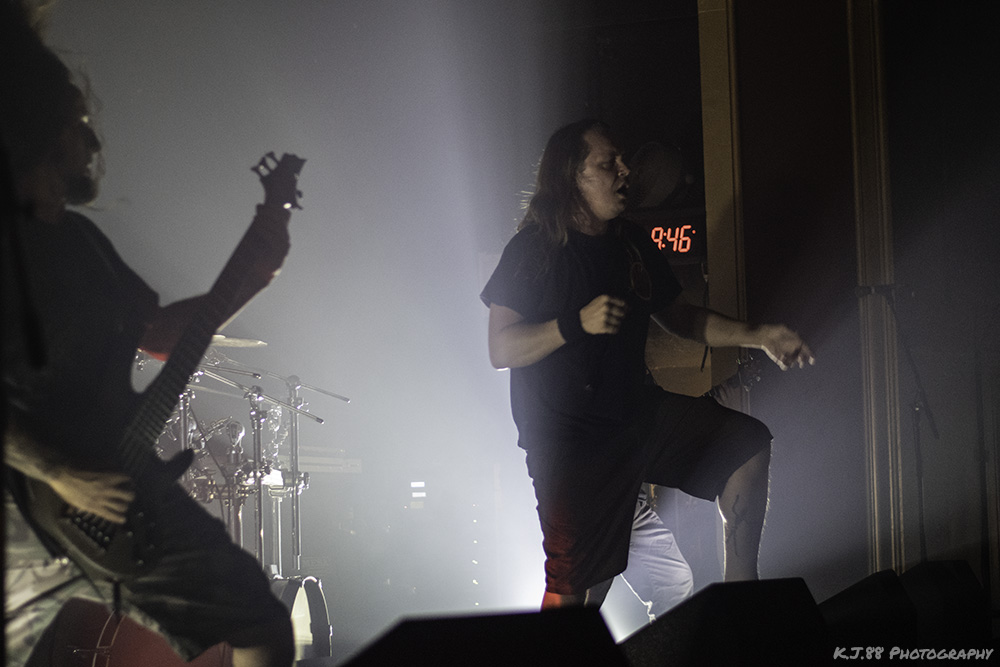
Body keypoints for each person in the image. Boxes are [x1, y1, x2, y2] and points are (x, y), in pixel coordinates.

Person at [2, 4, 294, 665]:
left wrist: (249, 278)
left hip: (111, 484)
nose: (92, 143)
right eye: (77, 125)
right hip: (35, 494)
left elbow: (154, 333)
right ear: (36, 128)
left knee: (259, 626)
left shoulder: (80, 242)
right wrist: (57, 469)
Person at [480, 119, 813, 609]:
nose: (625, 170)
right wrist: (574, 324)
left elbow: (680, 317)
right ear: (573, 176)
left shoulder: (631, 242)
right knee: (578, 595)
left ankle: (742, 608)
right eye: (607, 163)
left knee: (746, 446)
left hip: (638, 418)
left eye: (622, 161)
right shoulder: (533, 251)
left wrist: (758, 335)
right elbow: (500, 349)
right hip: (571, 446)